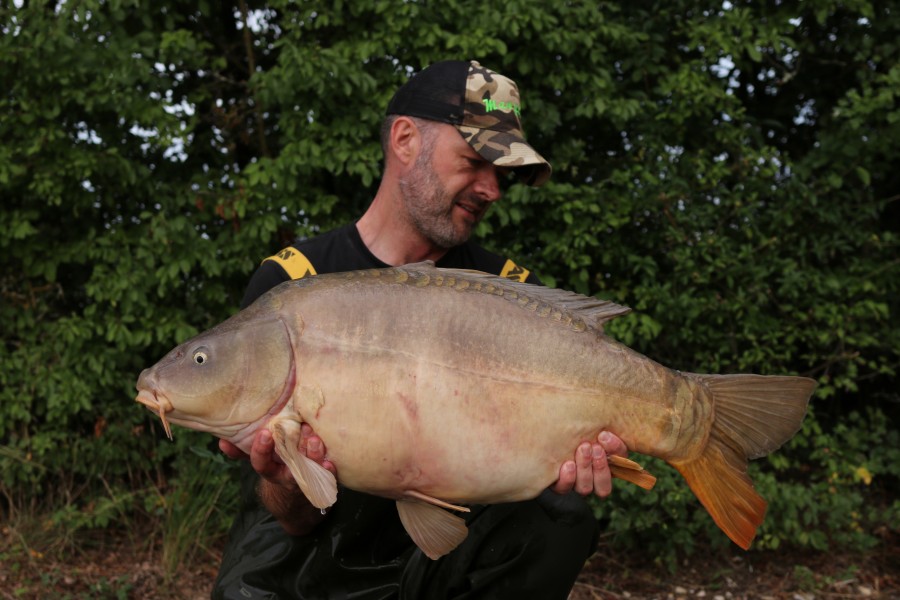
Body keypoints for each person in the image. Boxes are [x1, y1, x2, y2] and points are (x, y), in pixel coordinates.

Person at [212, 59, 628, 600]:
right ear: (405, 139)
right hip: (315, 556)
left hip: (448, 553)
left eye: (502, 174)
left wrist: (570, 457)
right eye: (476, 161)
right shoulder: (294, 282)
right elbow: (287, 519)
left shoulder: (509, 291)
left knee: (561, 518)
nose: (492, 189)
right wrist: (284, 479)